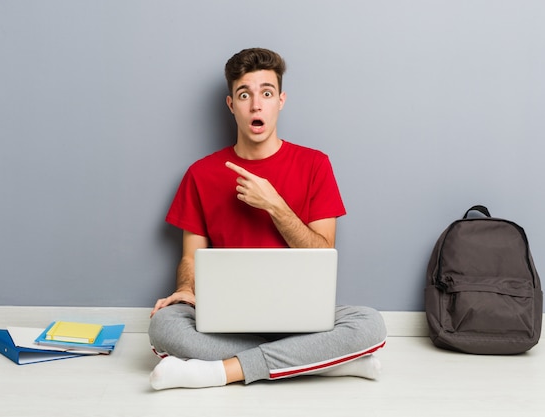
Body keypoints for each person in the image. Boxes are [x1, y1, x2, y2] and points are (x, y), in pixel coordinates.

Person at [148, 48, 387, 390]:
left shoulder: (315, 165)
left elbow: (322, 253)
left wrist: (275, 205)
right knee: (164, 325)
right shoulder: (200, 174)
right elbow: (190, 257)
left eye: (266, 93)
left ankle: (219, 372)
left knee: (370, 323)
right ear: (231, 104)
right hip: (225, 320)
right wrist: (185, 289)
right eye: (244, 95)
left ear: (281, 101)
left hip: (300, 320)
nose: (256, 105)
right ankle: (320, 362)